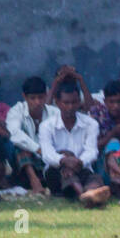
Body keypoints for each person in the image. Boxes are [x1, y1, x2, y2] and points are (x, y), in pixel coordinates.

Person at [37, 77, 105, 205]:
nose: (70, 107)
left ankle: (89, 194)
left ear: (79, 102)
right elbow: (47, 154)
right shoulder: (46, 125)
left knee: (94, 178)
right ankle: (85, 196)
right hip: (55, 171)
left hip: (82, 168)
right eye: (66, 103)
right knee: (67, 173)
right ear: (57, 102)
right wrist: (64, 160)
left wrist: (79, 162)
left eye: (74, 102)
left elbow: (92, 151)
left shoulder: (91, 124)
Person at [5, 76, 51, 194]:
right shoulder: (16, 111)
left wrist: (45, 151)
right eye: (33, 98)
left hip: (48, 158)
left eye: (41, 97)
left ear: (46, 96)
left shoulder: (54, 113)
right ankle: (34, 181)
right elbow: (14, 134)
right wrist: (38, 149)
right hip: (22, 162)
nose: (37, 102)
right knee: (19, 144)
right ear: (25, 97)